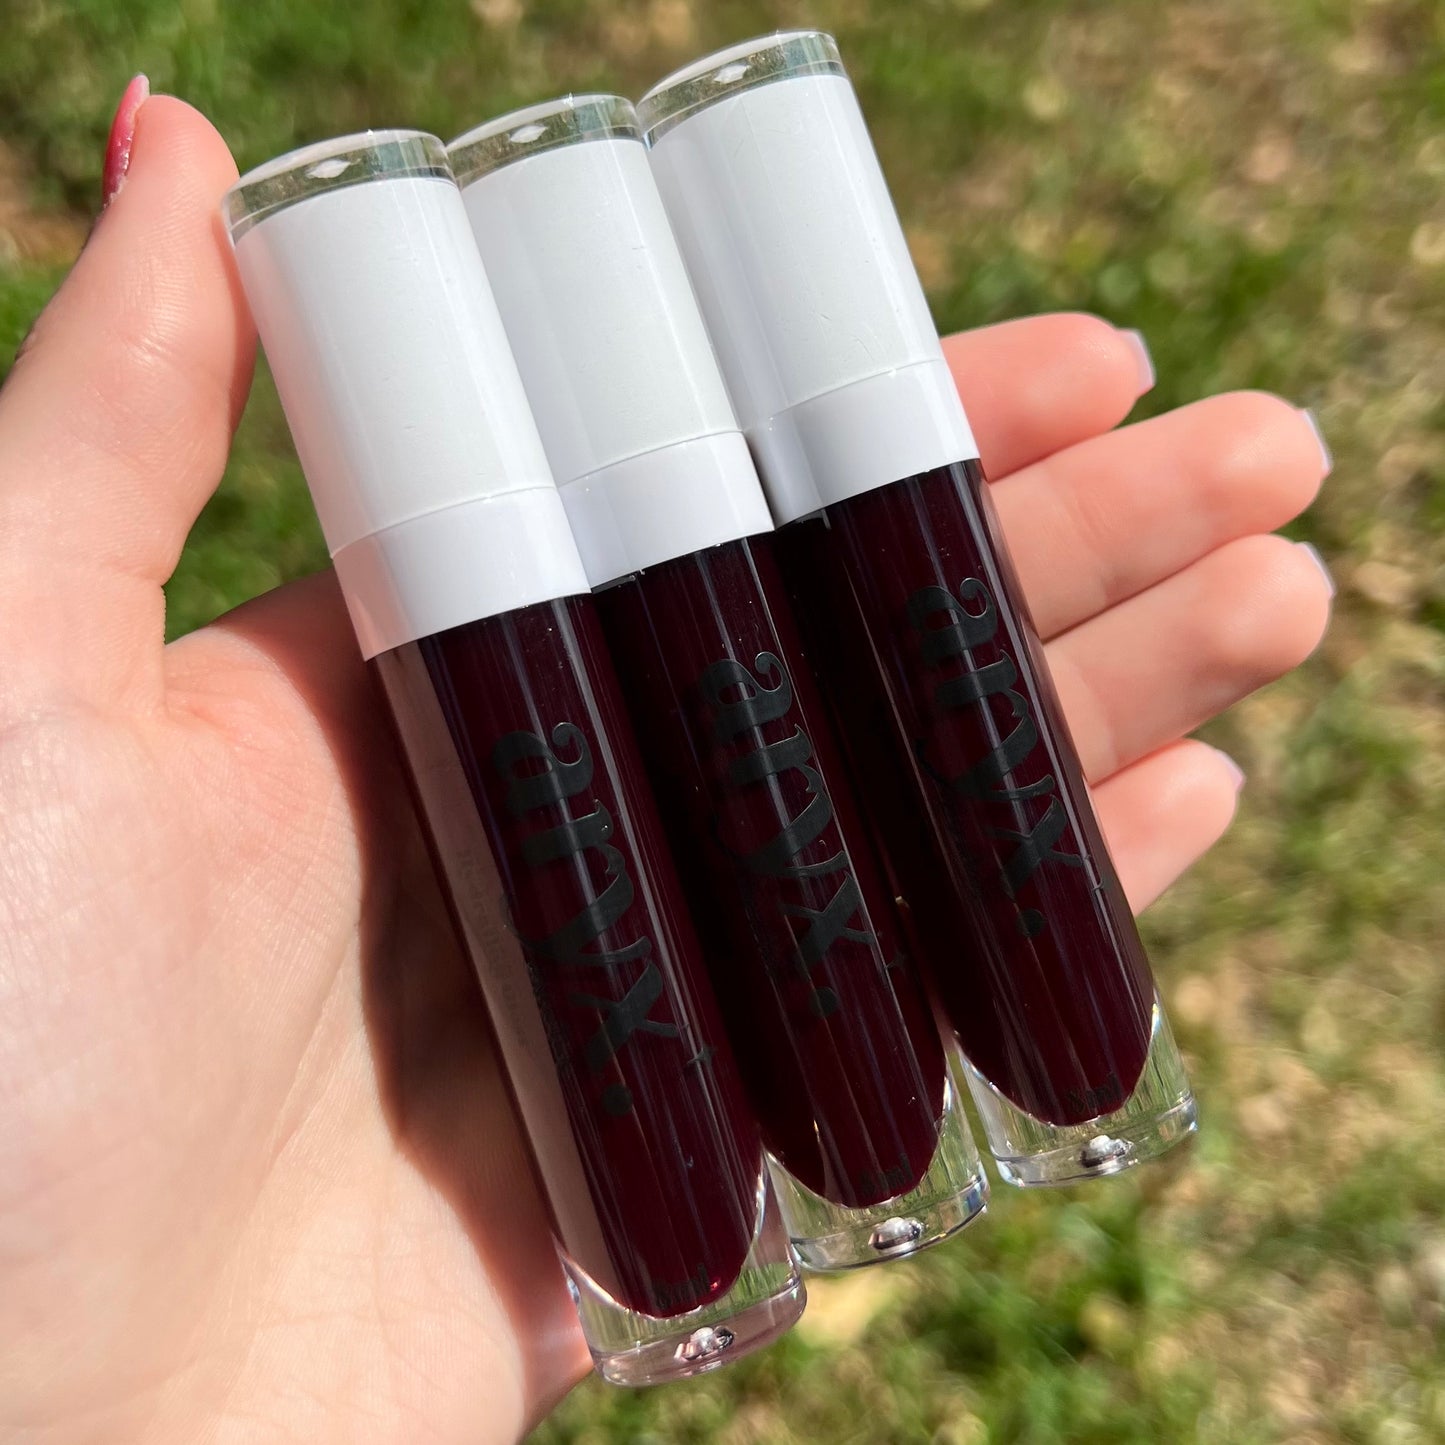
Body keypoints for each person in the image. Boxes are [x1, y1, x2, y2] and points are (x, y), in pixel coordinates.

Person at [0, 89, 1333, 1443]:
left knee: (834, 784)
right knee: (695, 836)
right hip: (495, 581)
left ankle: (929, 1137)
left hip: (701, 517)